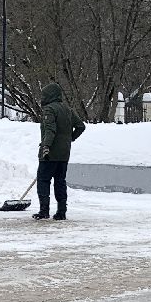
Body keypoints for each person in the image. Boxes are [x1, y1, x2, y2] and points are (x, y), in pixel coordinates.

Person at [33, 81, 85, 221]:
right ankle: (61, 212)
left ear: (49, 95)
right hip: (64, 154)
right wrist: (70, 139)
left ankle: (44, 211)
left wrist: (46, 146)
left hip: (50, 154)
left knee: (43, 180)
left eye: (44, 95)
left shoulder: (49, 109)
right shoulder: (67, 110)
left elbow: (50, 130)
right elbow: (81, 126)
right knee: (60, 181)